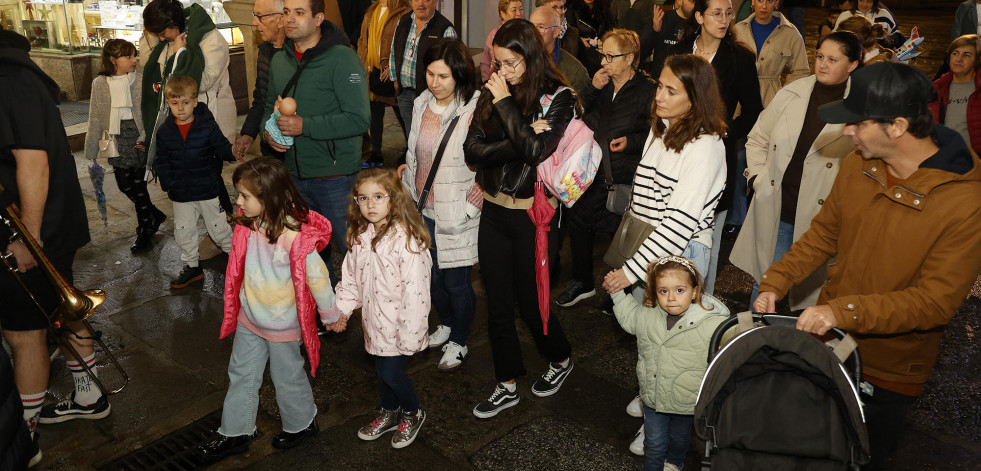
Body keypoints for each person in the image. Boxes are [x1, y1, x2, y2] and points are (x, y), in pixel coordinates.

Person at [754, 61, 981, 470]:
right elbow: (824, 234)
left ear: (896, 126)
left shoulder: (966, 201)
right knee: (812, 447)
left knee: (864, 456)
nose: (847, 131)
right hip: (831, 346)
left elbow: (934, 302)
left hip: (890, 368)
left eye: (856, 122)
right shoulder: (859, 164)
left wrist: (841, 311)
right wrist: (777, 280)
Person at [0, 30, 107, 467]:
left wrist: (28, 236)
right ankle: (90, 394)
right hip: (46, 223)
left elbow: (33, 162)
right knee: (58, 314)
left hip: (35, 229)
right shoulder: (18, 74)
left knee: (23, 334)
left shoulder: (8, 80)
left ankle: (21, 437)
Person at [464, 19, 577, 419]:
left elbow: (536, 153)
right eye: (499, 63)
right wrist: (520, 134)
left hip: (534, 218)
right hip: (494, 211)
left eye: (512, 63)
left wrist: (508, 111)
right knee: (496, 302)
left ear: (530, 56)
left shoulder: (559, 97)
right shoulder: (494, 90)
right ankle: (506, 383)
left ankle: (561, 359)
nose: (504, 72)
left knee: (532, 303)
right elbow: (472, 152)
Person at [198, 157, 335, 462]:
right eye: (239, 196)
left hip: (282, 325)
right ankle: (235, 431)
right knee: (241, 373)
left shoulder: (294, 237)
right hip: (251, 317)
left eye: (245, 196)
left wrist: (330, 314)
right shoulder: (251, 224)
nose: (239, 203)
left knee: (287, 376)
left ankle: (302, 423)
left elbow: (317, 278)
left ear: (269, 197)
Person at [731, 31, 861, 310]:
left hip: (821, 222)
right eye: (820, 57)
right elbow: (758, 138)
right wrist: (757, 179)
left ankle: (799, 347)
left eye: (833, 59)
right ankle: (755, 340)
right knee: (768, 283)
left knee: (812, 295)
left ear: (852, 65)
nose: (823, 64)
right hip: (779, 208)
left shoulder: (860, 108)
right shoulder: (792, 93)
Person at [600, 53, 726, 331]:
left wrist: (630, 271)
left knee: (675, 343)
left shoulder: (705, 146)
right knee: (648, 336)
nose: (659, 96)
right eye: (660, 86)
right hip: (649, 249)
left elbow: (678, 224)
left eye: (671, 91)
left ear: (695, 99)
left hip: (680, 253)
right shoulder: (661, 128)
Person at [263, 0, 371, 286]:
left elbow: (360, 120)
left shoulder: (342, 59)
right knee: (311, 253)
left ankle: (376, 318)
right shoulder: (280, 59)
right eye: (286, 12)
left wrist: (304, 126)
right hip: (296, 177)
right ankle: (327, 312)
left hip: (336, 177)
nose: (290, 19)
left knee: (355, 251)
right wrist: (269, 134)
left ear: (319, 18)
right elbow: (268, 108)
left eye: (299, 13)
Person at [327, 168, 432, 449]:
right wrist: (343, 311)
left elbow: (416, 293)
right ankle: (389, 411)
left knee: (391, 374)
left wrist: (410, 335)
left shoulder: (407, 241)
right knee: (381, 373)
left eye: (377, 197)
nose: (369, 204)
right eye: (362, 198)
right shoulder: (361, 236)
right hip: (374, 324)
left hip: (400, 326)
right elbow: (351, 279)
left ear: (394, 199)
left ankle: (412, 412)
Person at [557, 28, 656, 309]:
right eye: (603, 55)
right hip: (589, 169)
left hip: (622, 173)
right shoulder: (600, 84)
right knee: (578, 221)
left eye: (611, 57)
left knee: (619, 232)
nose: (604, 62)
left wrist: (631, 142)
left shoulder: (648, 90)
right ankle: (583, 282)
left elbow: (657, 133)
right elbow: (576, 112)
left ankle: (621, 294)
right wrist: (592, 89)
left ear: (630, 58)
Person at [669, 0, 763, 295]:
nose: (725, 20)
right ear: (699, 16)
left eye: (729, 13)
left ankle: (702, 313)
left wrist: (723, 131)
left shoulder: (739, 58)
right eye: (717, 13)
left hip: (715, 157)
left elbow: (753, 110)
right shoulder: (680, 50)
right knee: (672, 235)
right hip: (674, 153)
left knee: (707, 240)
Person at [400, 39, 482, 371]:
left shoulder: (474, 109)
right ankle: (446, 324)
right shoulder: (421, 102)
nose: (435, 83)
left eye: (444, 76)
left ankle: (459, 340)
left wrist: (471, 206)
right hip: (423, 209)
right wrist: (407, 180)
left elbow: (488, 162)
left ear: (460, 75)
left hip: (456, 211)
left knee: (456, 282)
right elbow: (416, 153)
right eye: (431, 74)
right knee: (431, 278)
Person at [609, 255, 729, 471]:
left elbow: (736, 335)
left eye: (679, 290)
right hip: (653, 397)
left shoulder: (710, 322)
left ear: (694, 291)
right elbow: (630, 317)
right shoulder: (648, 315)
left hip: (686, 400)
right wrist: (617, 293)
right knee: (653, 444)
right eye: (663, 291)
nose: (671, 297)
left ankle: (674, 462)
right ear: (655, 292)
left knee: (680, 440)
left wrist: (755, 322)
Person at [142, 0, 236, 213]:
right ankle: (219, 223)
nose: (161, 37)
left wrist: (179, 55)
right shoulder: (172, 39)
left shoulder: (210, 39)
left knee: (209, 176)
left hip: (210, 118)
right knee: (197, 176)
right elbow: (158, 74)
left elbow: (202, 82)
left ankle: (224, 224)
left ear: (174, 22)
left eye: (162, 31)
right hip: (182, 121)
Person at [85, 39, 166, 253]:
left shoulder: (140, 81)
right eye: (128, 56)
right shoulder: (99, 84)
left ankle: (144, 230)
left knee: (139, 186)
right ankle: (154, 214)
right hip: (115, 138)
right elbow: (95, 116)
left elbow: (151, 114)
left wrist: (147, 137)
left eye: (134, 55)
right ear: (113, 60)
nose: (134, 60)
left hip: (138, 136)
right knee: (123, 184)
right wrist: (91, 148)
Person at [154, 76, 235, 288]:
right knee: (183, 231)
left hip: (207, 189)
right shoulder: (165, 131)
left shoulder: (206, 126)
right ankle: (192, 267)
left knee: (219, 228)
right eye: (174, 103)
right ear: (168, 103)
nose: (180, 108)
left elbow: (222, 146)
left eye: (185, 102)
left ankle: (239, 263)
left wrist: (233, 151)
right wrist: (169, 182)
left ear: (195, 101)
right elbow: (161, 160)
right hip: (181, 193)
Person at [389, 0, 457, 138]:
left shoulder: (445, 29)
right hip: (404, 94)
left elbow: (452, 69)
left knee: (429, 139)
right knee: (411, 136)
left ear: (436, 1)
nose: (420, 3)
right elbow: (394, 51)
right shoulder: (403, 21)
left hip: (431, 98)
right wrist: (395, 79)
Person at [358, 0, 412, 168]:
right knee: (375, 114)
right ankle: (376, 152)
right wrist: (362, 61)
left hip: (392, 73)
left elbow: (406, 42)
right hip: (372, 71)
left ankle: (411, 150)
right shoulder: (371, 11)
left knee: (403, 113)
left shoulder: (403, 11)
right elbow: (362, 40)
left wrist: (393, 66)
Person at [234, 0, 287, 161]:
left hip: (292, 148)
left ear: (280, 19)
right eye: (254, 15)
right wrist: (248, 133)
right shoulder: (265, 50)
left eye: (260, 16)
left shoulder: (297, 55)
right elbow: (261, 99)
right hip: (270, 148)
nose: (254, 22)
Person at [732, 0, 809, 107]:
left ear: (776, 3)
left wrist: (785, 94)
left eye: (770, 1)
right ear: (753, 1)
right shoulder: (738, 30)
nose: (764, 6)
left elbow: (801, 71)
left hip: (771, 101)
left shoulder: (790, 33)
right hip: (739, 100)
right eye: (760, 0)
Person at [930, 34, 981, 155]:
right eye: (955, 53)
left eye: (967, 55)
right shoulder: (937, 87)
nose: (959, 59)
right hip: (942, 160)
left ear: (978, 60)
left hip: (974, 164)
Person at [530, 6, 591, 94]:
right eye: (531, 26)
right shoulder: (521, 59)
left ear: (556, 31)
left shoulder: (575, 72)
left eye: (541, 27)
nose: (534, 32)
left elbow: (580, 105)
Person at [481, 0, 525, 82]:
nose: (519, 13)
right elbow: (485, 64)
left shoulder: (528, 33)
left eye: (521, 9)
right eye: (514, 10)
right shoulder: (494, 35)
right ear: (503, 13)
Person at [568, 0, 615, 75]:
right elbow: (569, 32)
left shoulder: (605, 9)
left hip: (601, 54)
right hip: (582, 55)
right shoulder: (572, 9)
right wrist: (579, 39)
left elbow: (609, 29)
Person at [833, 0, 899, 47]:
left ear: (874, 2)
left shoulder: (884, 14)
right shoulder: (845, 15)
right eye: (861, 0)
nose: (865, 4)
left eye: (869, 1)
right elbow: (835, 37)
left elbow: (895, 34)